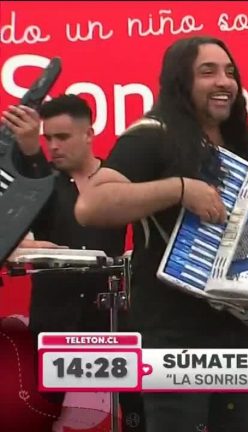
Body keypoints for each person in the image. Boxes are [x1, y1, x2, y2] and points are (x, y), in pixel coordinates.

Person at [74, 36, 248, 432]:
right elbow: (91, 205)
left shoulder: (239, 148)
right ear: (180, 80)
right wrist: (180, 189)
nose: (224, 81)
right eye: (208, 71)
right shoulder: (152, 135)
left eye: (230, 72)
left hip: (238, 333)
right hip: (173, 333)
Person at [1, 94, 146, 431]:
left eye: (62, 137)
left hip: (112, 317)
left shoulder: (117, 182)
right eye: (47, 138)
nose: (53, 146)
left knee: (137, 408)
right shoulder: (39, 184)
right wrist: (23, 245)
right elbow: (8, 231)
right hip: (54, 319)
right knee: (37, 411)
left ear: (89, 134)